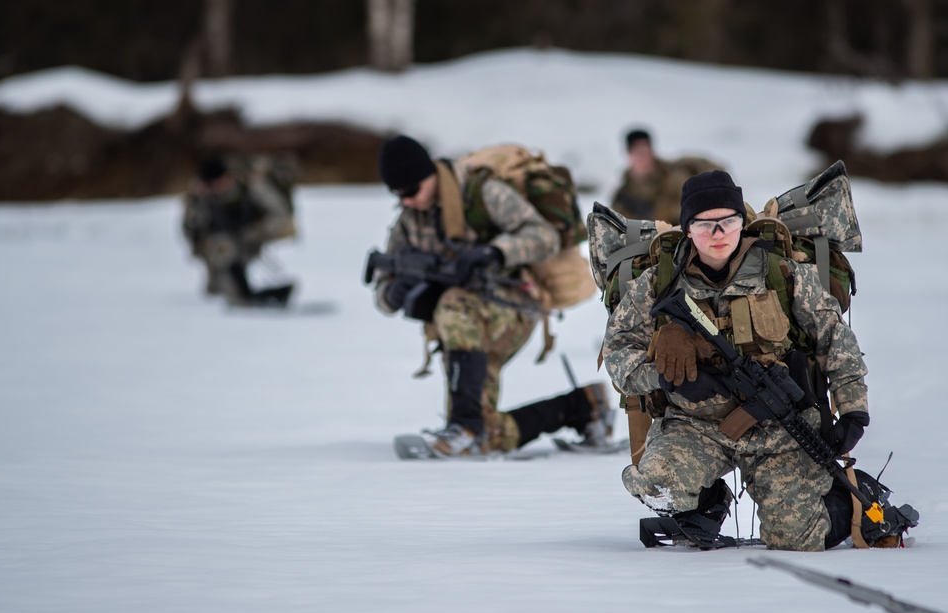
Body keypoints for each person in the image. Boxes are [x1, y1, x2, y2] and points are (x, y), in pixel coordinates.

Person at [603, 170, 871, 551]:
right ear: (688, 229)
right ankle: (705, 505)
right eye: (704, 224)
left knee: (797, 540)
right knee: (657, 487)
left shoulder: (784, 274)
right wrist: (666, 379)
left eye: (727, 222)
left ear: (741, 224)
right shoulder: (657, 284)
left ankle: (848, 500)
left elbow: (836, 340)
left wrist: (853, 412)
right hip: (694, 427)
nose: (717, 234)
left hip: (779, 430)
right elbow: (617, 352)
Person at [372, 134, 614, 456]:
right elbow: (381, 285)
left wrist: (495, 253)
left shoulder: (482, 192)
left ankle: (465, 428)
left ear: (429, 174)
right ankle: (580, 407)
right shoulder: (410, 220)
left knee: (453, 305)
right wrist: (392, 292)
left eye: (411, 191)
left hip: (512, 304)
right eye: (397, 194)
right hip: (462, 327)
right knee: (491, 434)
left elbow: (543, 236)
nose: (406, 201)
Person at [181, 155, 297, 307]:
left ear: (228, 176)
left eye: (218, 183)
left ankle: (244, 293)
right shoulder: (200, 198)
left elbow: (282, 218)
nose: (215, 189)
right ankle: (239, 291)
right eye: (210, 185)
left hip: (252, 235)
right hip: (220, 247)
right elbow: (191, 232)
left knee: (228, 257)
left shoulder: (251, 185)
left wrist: (251, 233)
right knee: (218, 289)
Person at [610, 128, 720, 224]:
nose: (643, 158)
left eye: (646, 151)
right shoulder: (622, 196)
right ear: (629, 154)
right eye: (638, 152)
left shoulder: (676, 176)